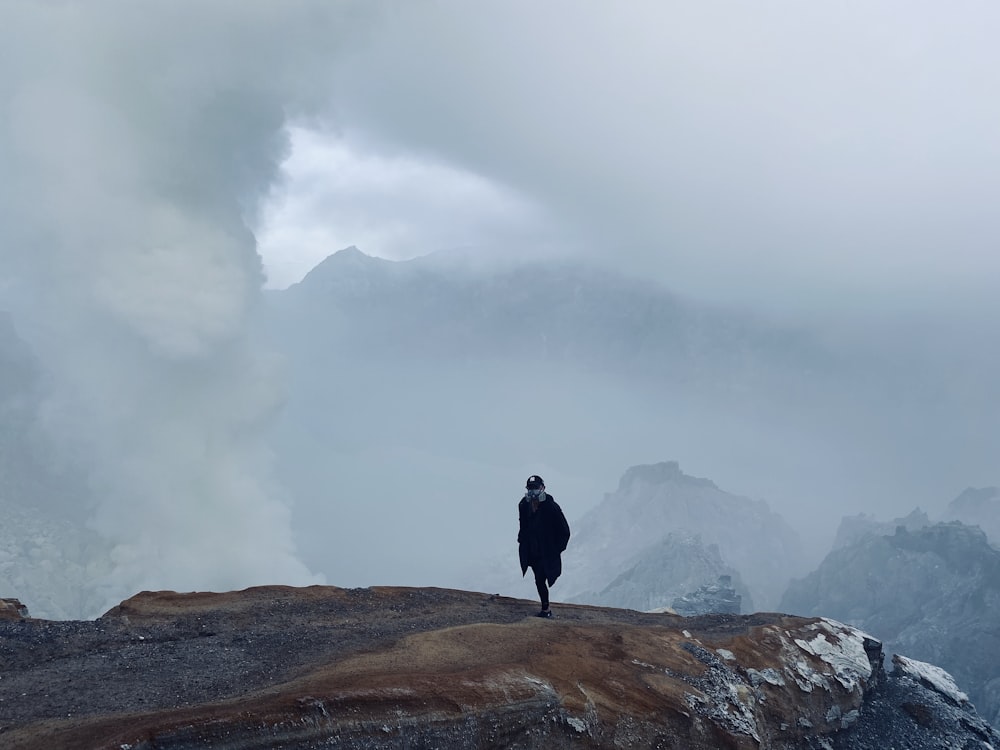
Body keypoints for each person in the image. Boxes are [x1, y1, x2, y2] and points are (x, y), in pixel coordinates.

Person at [517, 475, 571, 618]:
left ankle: (546, 609)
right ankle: (545, 609)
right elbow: (523, 525)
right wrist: (521, 540)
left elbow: (564, 531)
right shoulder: (523, 505)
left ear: (543, 488)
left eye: (535, 488)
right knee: (539, 579)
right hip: (532, 551)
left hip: (546, 552)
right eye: (530, 488)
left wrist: (556, 550)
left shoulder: (551, 507)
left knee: (541, 578)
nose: (533, 491)